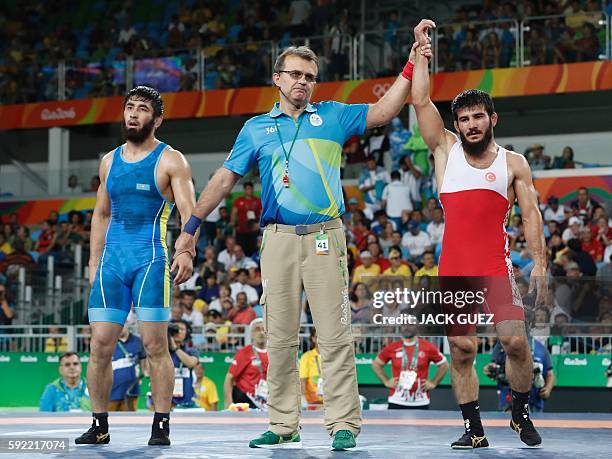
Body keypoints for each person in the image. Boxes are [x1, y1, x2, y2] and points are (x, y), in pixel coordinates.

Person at [174, 27, 434, 450]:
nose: (302, 82)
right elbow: (223, 179)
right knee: (278, 336)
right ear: (277, 78)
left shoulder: (331, 116)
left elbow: (385, 111)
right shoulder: (256, 129)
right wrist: (190, 227)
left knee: (334, 335)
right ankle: (282, 424)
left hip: (325, 237)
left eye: (309, 76)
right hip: (276, 239)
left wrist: (410, 62)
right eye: (294, 74)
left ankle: (343, 424)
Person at [411, 22, 547, 448]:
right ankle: (473, 430)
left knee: (515, 342)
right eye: (464, 119)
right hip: (453, 270)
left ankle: (520, 413)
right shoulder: (444, 150)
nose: (471, 125)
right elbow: (419, 99)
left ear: (492, 119)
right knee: (463, 351)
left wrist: (540, 261)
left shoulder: (513, 163)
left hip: (494, 266)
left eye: (478, 117)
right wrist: (420, 53)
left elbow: (531, 214)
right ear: (457, 123)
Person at [76, 86, 196, 446]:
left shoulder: (171, 160)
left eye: (142, 109)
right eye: (129, 107)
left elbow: (190, 212)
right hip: (112, 263)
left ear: (156, 119)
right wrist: (94, 261)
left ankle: (160, 424)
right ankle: (99, 425)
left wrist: (186, 250)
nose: (133, 114)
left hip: (151, 261)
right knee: (99, 344)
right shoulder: (108, 161)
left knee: (155, 345)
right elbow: (101, 213)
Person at [372, 325, 448, 409]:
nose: (406, 327)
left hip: (421, 401)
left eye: (410, 324)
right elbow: (376, 364)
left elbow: (444, 365)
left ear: (417, 326)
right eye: (403, 325)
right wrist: (386, 381)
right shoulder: (393, 347)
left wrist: (434, 383)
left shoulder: (428, 347)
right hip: (396, 400)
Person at [484, 337, 554, 413]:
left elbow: (549, 373)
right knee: (506, 423)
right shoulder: (502, 345)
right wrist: (489, 369)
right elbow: (492, 366)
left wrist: (547, 389)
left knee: (533, 423)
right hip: (508, 401)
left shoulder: (540, 347)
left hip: (534, 402)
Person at [223, 318, 268, 409]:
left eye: (264, 329)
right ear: (251, 334)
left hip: (267, 401)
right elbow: (229, 378)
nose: (261, 332)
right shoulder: (244, 353)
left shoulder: (276, 353)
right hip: (246, 402)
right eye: (257, 329)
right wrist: (229, 403)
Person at [109, 323, 147, 412]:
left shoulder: (138, 341)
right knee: (108, 422)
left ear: (127, 323)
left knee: (130, 421)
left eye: (122, 323)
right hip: (111, 392)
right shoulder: (108, 342)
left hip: (131, 392)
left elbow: (145, 367)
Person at [167, 320, 199, 408]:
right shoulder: (164, 351)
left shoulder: (191, 351)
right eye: (176, 329)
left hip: (186, 398)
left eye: (182, 329)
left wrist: (175, 348)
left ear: (187, 333)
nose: (178, 332)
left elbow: (191, 363)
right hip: (166, 399)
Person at [299, 327, 324, 407]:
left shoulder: (333, 356)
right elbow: (303, 380)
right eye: (317, 337)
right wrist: (302, 397)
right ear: (313, 339)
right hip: (313, 402)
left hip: (330, 401)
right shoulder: (306, 357)